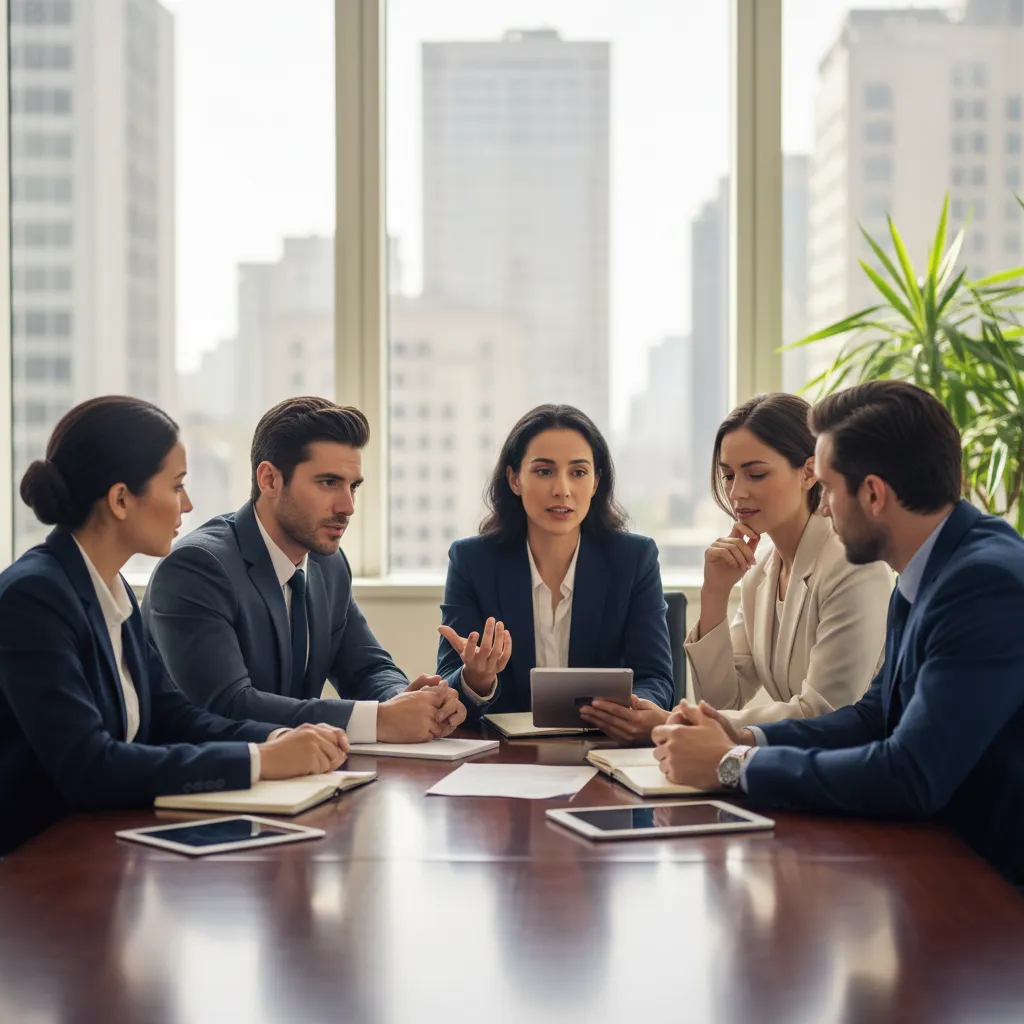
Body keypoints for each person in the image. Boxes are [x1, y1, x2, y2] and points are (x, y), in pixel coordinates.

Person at [652, 380, 1024, 887]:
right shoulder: (928, 568)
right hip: (939, 860)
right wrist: (743, 736)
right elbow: (875, 716)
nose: (823, 507)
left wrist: (732, 764)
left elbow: (911, 775)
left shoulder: (982, 583)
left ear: (872, 494)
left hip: (992, 885)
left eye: (826, 488)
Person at [0, 397, 349, 855]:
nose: (187, 503)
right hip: (36, 864)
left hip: (105, 847)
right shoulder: (34, 597)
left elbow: (174, 716)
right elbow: (89, 766)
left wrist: (278, 738)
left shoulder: (113, 590)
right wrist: (260, 760)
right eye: (177, 485)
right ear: (121, 500)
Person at [144, 397, 465, 743]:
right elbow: (227, 706)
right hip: (211, 770)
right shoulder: (197, 568)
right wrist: (380, 719)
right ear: (269, 479)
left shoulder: (329, 564)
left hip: (300, 768)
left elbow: (367, 668)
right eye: (328, 482)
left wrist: (409, 701)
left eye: (353, 486)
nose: (348, 506)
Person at [437, 404, 674, 742]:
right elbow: (449, 686)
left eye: (578, 472)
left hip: (604, 748)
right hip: (504, 756)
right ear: (514, 479)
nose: (562, 489)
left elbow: (656, 678)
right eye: (544, 471)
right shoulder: (472, 561)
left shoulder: (634, 559)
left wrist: (634, 709)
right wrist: (477, 680)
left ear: (596, 482)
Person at [684, 393, 893, 725]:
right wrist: (714, 593)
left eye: (756, 474)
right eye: (728, 475)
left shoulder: (853, 565)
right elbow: (723, 702)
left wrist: (684, 721)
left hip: (863, 755)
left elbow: (825, 713)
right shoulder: (760, 574)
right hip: (799, 752)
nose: (736, 493)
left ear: (809, 472)